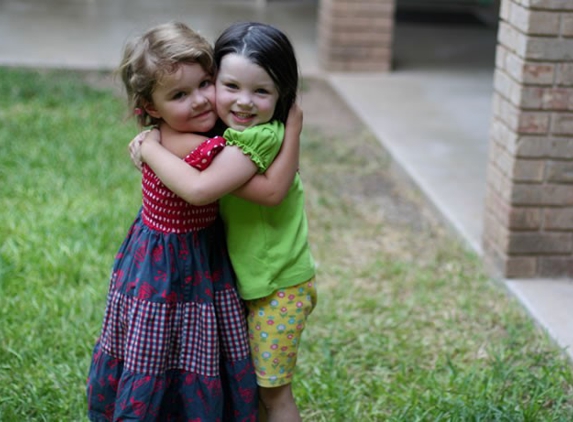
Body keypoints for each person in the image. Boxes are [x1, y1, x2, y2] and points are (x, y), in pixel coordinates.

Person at [86, 21, 301, 421]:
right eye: (180, 95)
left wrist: (149, 144)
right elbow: (206, 189)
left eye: (206, 83)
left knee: (188, 347)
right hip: (169, 267)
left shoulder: (179, 135)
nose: (202, 101)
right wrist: (150, 147)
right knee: (168, 347)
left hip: (188, 256)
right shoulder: (193, 143)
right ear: (151, 108)